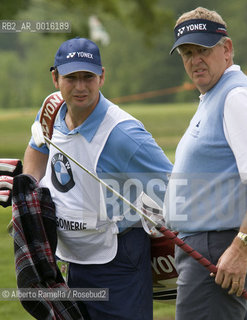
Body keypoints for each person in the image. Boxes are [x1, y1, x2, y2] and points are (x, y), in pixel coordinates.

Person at [23, 37, 173, 320]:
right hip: (70, 258)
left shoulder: (124, 134)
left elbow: (175, 188)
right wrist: (29, 188)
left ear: (102, 77)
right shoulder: (51, 109)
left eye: (88, 77)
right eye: (71, 77)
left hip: (119, 259)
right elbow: (37, 148)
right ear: (55, 78)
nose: (80, 87)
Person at [164, 7, 247, 320]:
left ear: (227, 49)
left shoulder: (237, 97)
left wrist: (241, 247)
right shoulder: (216, 95)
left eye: (203, 50)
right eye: (187, 53)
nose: (195, 61)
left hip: (219, 250)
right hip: (213, 249)